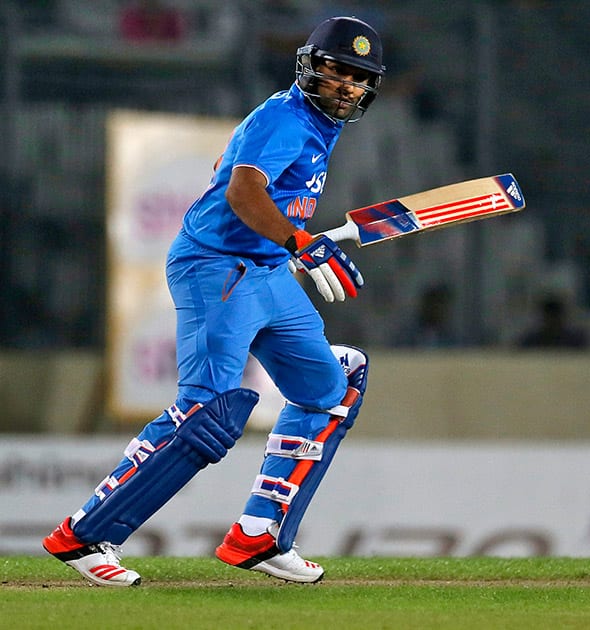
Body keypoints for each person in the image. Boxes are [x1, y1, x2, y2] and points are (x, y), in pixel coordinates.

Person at [41, 16, 386, 587]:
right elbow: (244, 189)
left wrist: (295, 243)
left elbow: (279, 198)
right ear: (310, 67)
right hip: (217, 268)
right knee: (206, 414)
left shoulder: (325, 124)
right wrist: (301, 242)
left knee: (335, 384)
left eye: (359, 77)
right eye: (337, 70)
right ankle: (83, 535)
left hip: (268, 271)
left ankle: (260, 534)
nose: (347, 85)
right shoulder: (285, 117)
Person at [518, 294, 590, 349]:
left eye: (555, 318)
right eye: (549, 318)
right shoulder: (531, 340)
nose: (553, 322)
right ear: (544, 318)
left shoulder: (575, 340)